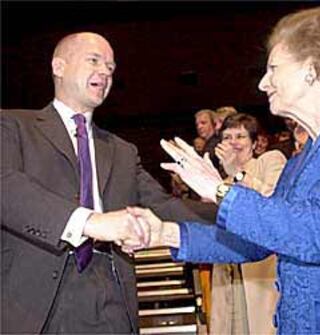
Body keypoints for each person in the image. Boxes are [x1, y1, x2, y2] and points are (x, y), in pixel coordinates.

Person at [129, 6, 320, 334]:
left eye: (273, 68)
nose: (263, 83)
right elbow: (255, 242)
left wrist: (219, 190)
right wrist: (162, 233)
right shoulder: (302, 162)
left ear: (311, 67)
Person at [0, 32, 207, 334]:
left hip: (112, 296)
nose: (105, 72)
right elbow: (7, 187)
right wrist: (91, 223)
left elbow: (164, 206)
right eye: (94, 61)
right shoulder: (13, 125)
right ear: (59, 66)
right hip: (34, 304)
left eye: (111, 67)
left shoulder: (122, 151)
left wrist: (233, 204)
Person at [211, 113, 286, 335]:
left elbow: (274, 202)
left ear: (255, 143)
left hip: (259, 272)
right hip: (228, 272)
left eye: (240, 136)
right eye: (227, 137)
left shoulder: (270, 160)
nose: (233, 142)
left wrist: (238, 173)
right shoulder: (218, 182)